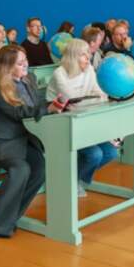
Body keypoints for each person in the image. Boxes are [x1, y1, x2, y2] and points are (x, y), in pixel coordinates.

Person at [0, 46, 64, 237]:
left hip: (22, 139)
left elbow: (35, 105)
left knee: (40, 168)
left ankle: (11, 217)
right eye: (20, 62)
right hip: (0, 142)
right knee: (21, 169)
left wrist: (53, 105)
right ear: (7, 67)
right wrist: (46, 109)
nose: (25, 64)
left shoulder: (28, 80)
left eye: (25, 60)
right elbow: (16, 113)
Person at [45, 39, 112, 197]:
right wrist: (91, 99)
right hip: (60, 122)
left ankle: (77, 180)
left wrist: (89, 99)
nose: (88, 57)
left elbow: (102, 95)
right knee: (95, 154)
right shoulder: (60, 73)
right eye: (83, 54)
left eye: (88, 53)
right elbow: (71, 100)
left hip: (84, 119)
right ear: (73, 56)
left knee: (111, 152)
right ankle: (71, 181)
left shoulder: (89, 70)